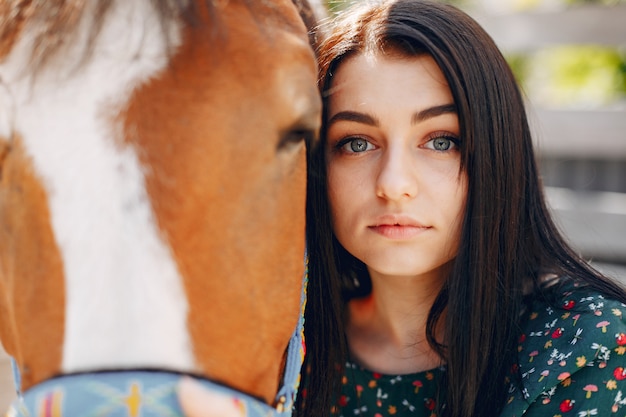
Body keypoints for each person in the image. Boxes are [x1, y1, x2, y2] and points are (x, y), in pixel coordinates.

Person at [295, 1, 626, 417]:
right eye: (357, 143)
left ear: (498, 153)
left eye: (441, 141)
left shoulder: (584, 347)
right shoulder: (285, 345)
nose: (394, 184)